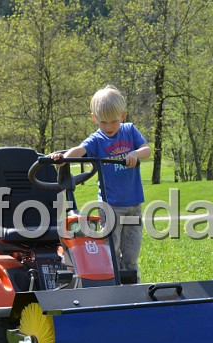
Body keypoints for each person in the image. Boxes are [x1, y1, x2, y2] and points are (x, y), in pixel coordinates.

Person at [51, 85, 151, 281]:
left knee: (131, 251)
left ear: (123, 116)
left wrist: (135, 154)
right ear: (94, 118)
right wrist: (63, 158)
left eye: (114, 121)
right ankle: (113, 286)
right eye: (104, 122)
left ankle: (133, 285)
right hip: (110, 206)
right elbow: (79, 150)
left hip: (134, 205)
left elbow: (146, 150)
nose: (109, 126)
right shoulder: (97, 139)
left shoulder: (130, 131)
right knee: (112, 251)